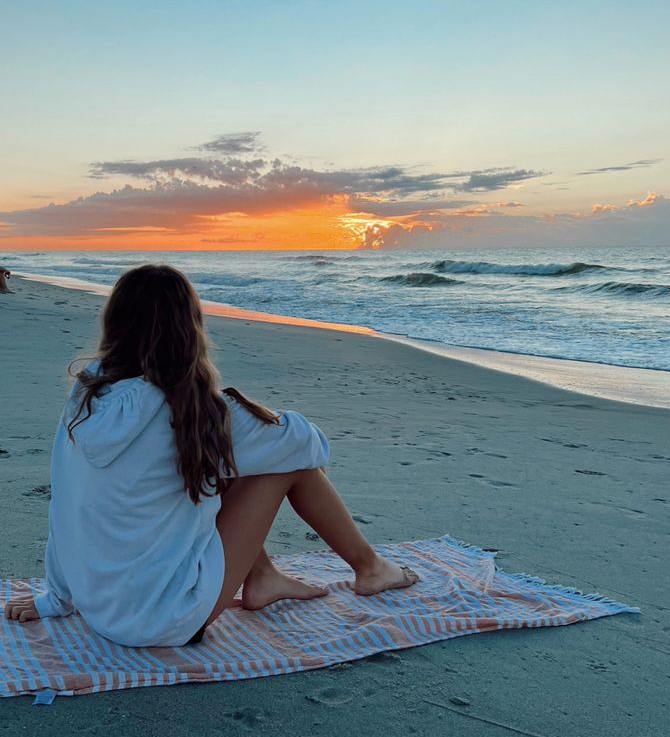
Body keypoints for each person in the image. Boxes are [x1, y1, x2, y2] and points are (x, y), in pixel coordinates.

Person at [3, 264, 417, 647]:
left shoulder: (85, 396)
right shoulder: (196, 410)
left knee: (216, 464)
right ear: (191, 329)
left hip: (100, 605)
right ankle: (370, 568)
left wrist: (55, 598)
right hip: (165, 618)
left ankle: (264, 576)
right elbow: (311, 447)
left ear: (114, 324)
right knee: (284, 466)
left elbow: (66, 504)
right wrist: (248, 410)